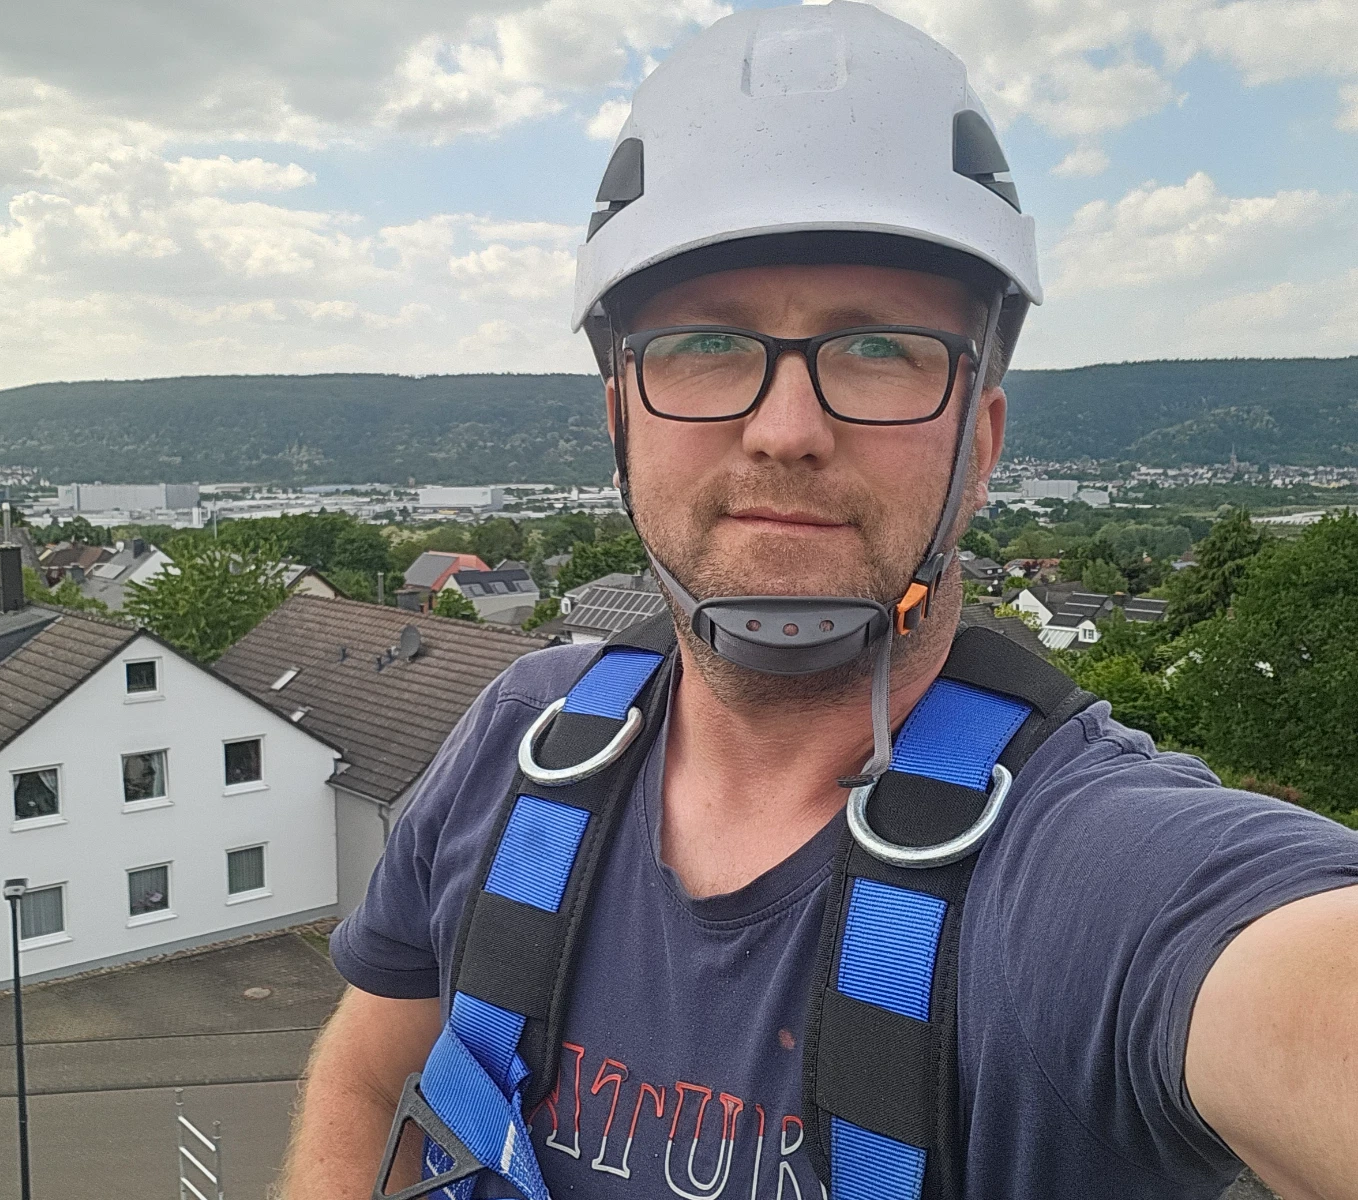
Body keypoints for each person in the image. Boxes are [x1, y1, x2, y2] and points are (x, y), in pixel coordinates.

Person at [280, 5, 1358, 1199]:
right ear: (620, 420)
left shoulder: (1092, 874)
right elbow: (374, 1081)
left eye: (880, 351)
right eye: (702, 345)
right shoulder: (516, 747)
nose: (785, 430)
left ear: (980, 441)